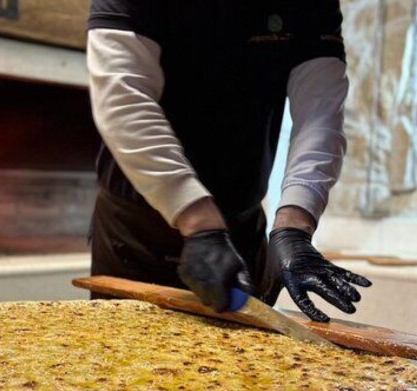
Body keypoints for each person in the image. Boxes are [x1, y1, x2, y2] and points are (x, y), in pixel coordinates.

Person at [86, 0, 371, 323]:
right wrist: (197, 220)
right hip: (137, 235)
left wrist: (293, 227)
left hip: (241, 228)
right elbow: (124, 101)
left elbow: (320, 115)